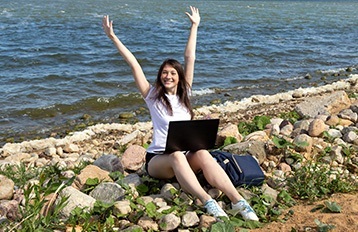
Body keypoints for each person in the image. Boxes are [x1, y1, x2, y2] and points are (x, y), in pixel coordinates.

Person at [102, 6, 259, 221]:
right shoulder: (152, 96)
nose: (168, 76)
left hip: (187, 156)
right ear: (159, 76)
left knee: (203, 153)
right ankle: (207, 201)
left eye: (173, 73)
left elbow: (190, 57)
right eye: (164, 73)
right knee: (175, 155)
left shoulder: (185, 95)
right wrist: (113, 37)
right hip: (159, 161)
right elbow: (134, 64)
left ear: (179, 77)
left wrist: (194, 26)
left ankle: (238, 201)